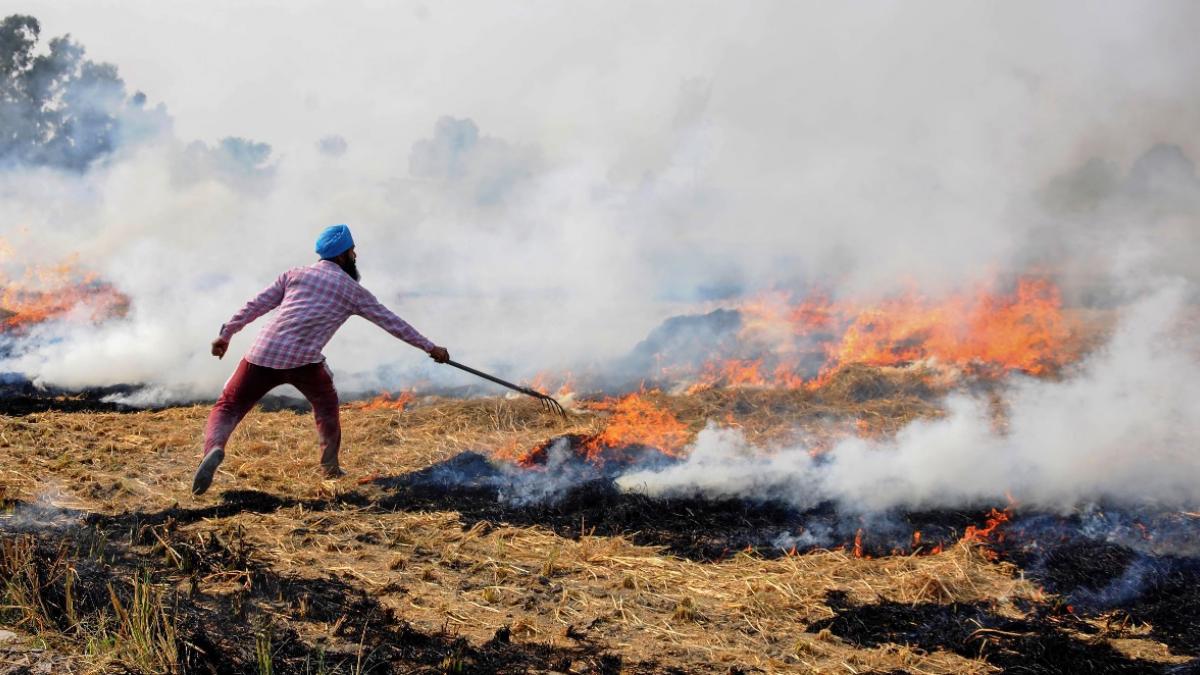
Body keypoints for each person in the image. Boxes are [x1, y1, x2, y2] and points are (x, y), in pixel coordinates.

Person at [192, 224, 448, 496]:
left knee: (228, 406)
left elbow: (255, 305)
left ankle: (214, 448)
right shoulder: (353, 291)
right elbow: (393, 323)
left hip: (262, 354)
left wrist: (227, 334)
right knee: (326, 406)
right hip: (304, 362)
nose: (355, 256)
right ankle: (330, 467)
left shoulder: (294, 275)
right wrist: (431, 348)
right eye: (352, 252)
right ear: (341, 255)